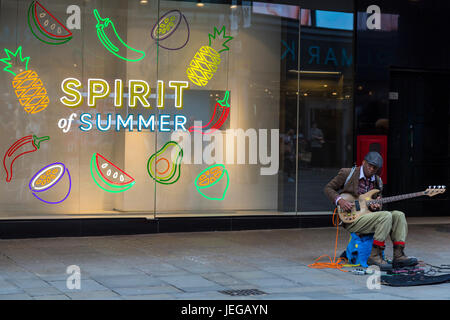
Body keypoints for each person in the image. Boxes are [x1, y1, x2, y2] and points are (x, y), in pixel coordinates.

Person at [323, 151, 418, 271]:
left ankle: (399, 255)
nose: (372, 169)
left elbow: (377, 206)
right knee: (386, 216)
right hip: (352, 219)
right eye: (370, 166)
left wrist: (377, 206)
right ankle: (374, 256)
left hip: (367, 217)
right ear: (363, 162)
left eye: (375, 168)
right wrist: (340, 200)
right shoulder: (347, 173)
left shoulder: (378, 181)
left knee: (399, 215)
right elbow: (328, 188)